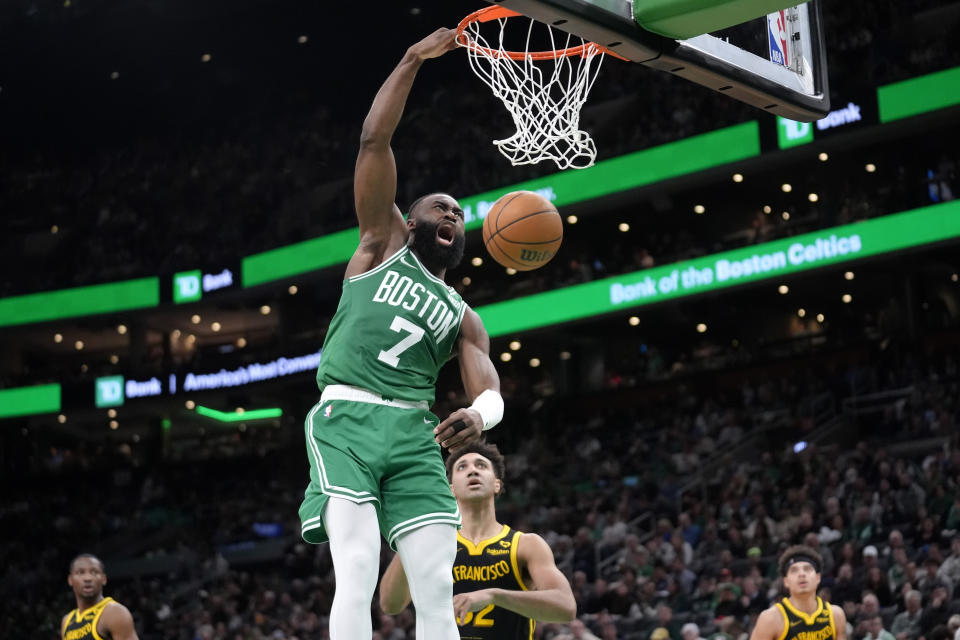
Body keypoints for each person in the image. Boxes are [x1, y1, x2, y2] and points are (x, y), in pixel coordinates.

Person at [296, 27, 503, 639]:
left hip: (415, 432)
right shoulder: (380, 245)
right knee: (357, 568)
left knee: (438, 584)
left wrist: (482, 418)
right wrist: (413, 58)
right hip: (349, 419)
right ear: (409, 219)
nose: (452, 215)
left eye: (460, 214)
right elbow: (373, 139)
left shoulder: (464, 315)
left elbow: (488, 386)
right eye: (440, 207)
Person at [379, 442, 575, 638]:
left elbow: (566, 607)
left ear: (497, 484)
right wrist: (415, 535)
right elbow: (390, 604)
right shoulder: (433, 544)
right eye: (462, 467)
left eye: (481, 465)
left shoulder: (526, 544)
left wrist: (493, 596)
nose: (472, 471)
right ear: (451, 489)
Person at [749, 545, 847, 640]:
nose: (801, 574)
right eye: (794, 570)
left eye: (807, 569)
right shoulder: (771, 619)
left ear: (818, 578)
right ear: (786, 582)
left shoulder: (835, 615)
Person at [61, 554, 139, 640]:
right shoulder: (66, 620)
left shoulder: (115, 613)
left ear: (104, 579)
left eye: (94, 572)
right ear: (70, 580)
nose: (88, 578)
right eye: (80, 572)